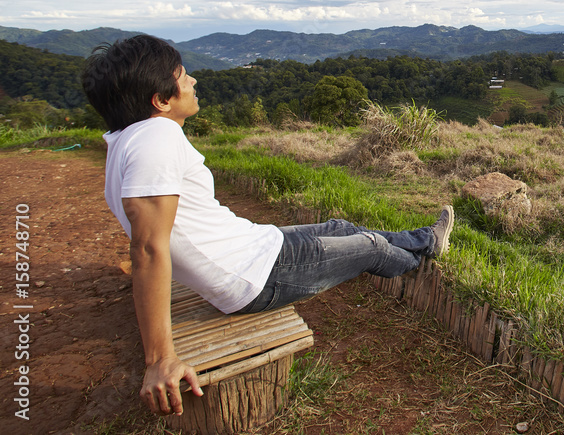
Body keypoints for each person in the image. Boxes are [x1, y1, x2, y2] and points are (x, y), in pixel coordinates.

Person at [81, 34, 454, 418]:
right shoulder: (154, 137)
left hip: (256, 248)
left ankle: (423, 239)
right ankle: (419, 260)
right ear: (160, 100)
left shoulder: (125, 139)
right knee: (370, 247)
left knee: (342, 227)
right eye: (183, 75)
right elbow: (147, 249)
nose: (193, 81)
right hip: (252, 278)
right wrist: (160, 359)